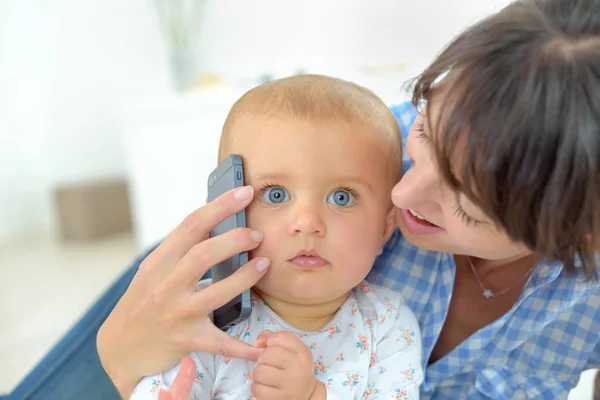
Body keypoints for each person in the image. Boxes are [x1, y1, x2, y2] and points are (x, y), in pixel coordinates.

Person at [5, 0, 599, 398]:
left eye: (466, 201)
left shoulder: (394, 326)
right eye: (424, 130)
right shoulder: (361, 143)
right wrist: (124, 356)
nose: (401, 189)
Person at [130, 74, 423, 399]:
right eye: (276, 195)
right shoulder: (206, 314)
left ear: (384, 229)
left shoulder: (387, 326)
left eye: (342, 197)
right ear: (226, 213)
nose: (307, 223)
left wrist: (313, 396)